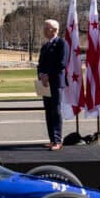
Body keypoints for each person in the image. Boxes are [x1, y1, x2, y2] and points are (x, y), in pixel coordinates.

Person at [37, 19, 66, 149]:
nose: (43, 30)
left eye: (46, 28)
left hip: (55, 82)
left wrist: (48, 76)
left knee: (56, 111)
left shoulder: (61, 43)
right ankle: (52, 139)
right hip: (44, 83)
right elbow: (40, 64)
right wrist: (41, 75)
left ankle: (58, 140)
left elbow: (62, 63)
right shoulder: (45, 46)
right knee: (48, 111)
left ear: (54, 30)